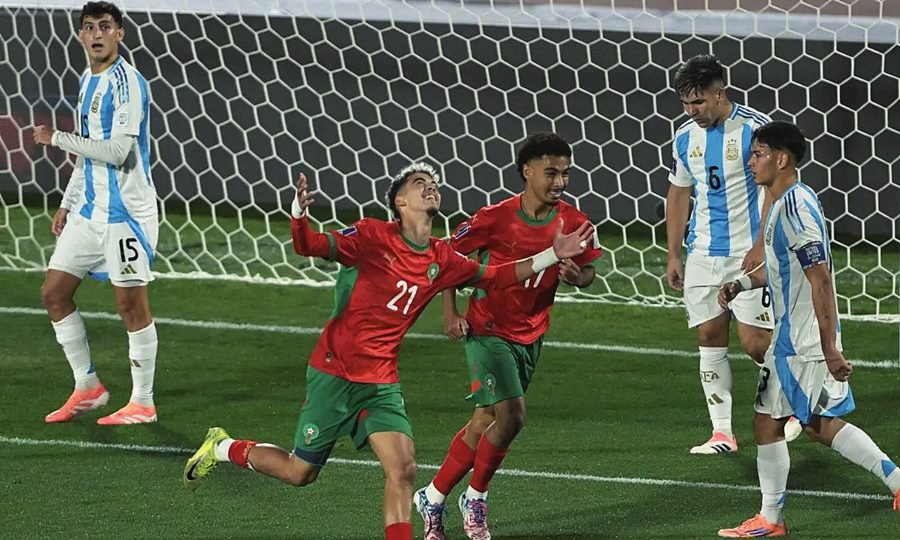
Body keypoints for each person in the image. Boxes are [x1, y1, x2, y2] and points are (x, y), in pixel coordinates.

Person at [182, 164, 594, 540]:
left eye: (433, 184)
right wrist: (298, 214)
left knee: (403, 468)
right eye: (419, 183)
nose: (430, 187)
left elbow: (497, 276)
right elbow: (309, 245)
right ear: (400, 201)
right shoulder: (370, 236)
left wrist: (551, 255)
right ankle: (223, 447)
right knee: (300, 472)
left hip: (380, 383)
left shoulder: (442, 257)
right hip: (334, 375)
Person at [716, 121, 900, 537]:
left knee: (767, 423)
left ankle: (771, 519)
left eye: (758, 153)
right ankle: (896, 481)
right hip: (801, 337)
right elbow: (784, 270)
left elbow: (820, 280)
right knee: (817, 423)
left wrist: (829, 348)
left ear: (781, 159)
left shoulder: (795, 210)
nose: (751, 161)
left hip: (799, 342)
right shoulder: (788, 201)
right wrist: (741, 284)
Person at [414, 132, 601, 540]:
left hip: (531, 333)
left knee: (485, 420)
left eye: (565, 173)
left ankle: (433, 495)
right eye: (551, 173)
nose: (560, 182)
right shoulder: (493, 218)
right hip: (487, 328)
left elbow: (589, 271)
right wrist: (450, 312)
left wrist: (577, 277)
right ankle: (475, 499)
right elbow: (448, 259)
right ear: (526, 172)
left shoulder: (575, 222)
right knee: (513, 416)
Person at [665, 54, 800, 454]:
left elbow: (775, 187)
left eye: (699, 102)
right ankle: (722, 432)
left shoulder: (755, 130)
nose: (692, 111)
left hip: (748, 252)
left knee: (757, 342)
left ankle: (794, 403)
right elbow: (679, 192)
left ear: (719, 94)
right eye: (685, 104)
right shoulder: (684, 137)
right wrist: (674, 254)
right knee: (709, 335)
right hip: (703, 251)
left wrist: (761, 244)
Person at [33, 1, 159, 425]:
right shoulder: (87, 78)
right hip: (89, 211)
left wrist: (56, 138)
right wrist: (69, 202)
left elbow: (118, 151)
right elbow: (89, 154)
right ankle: (88, 387)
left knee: (130, 305)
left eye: (106, 26)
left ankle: (143, 402)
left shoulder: (129, 83)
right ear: (80, 35)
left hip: (127, 214)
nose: (97, 34)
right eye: (89, 27)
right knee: (54, 293)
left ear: (120, 33)